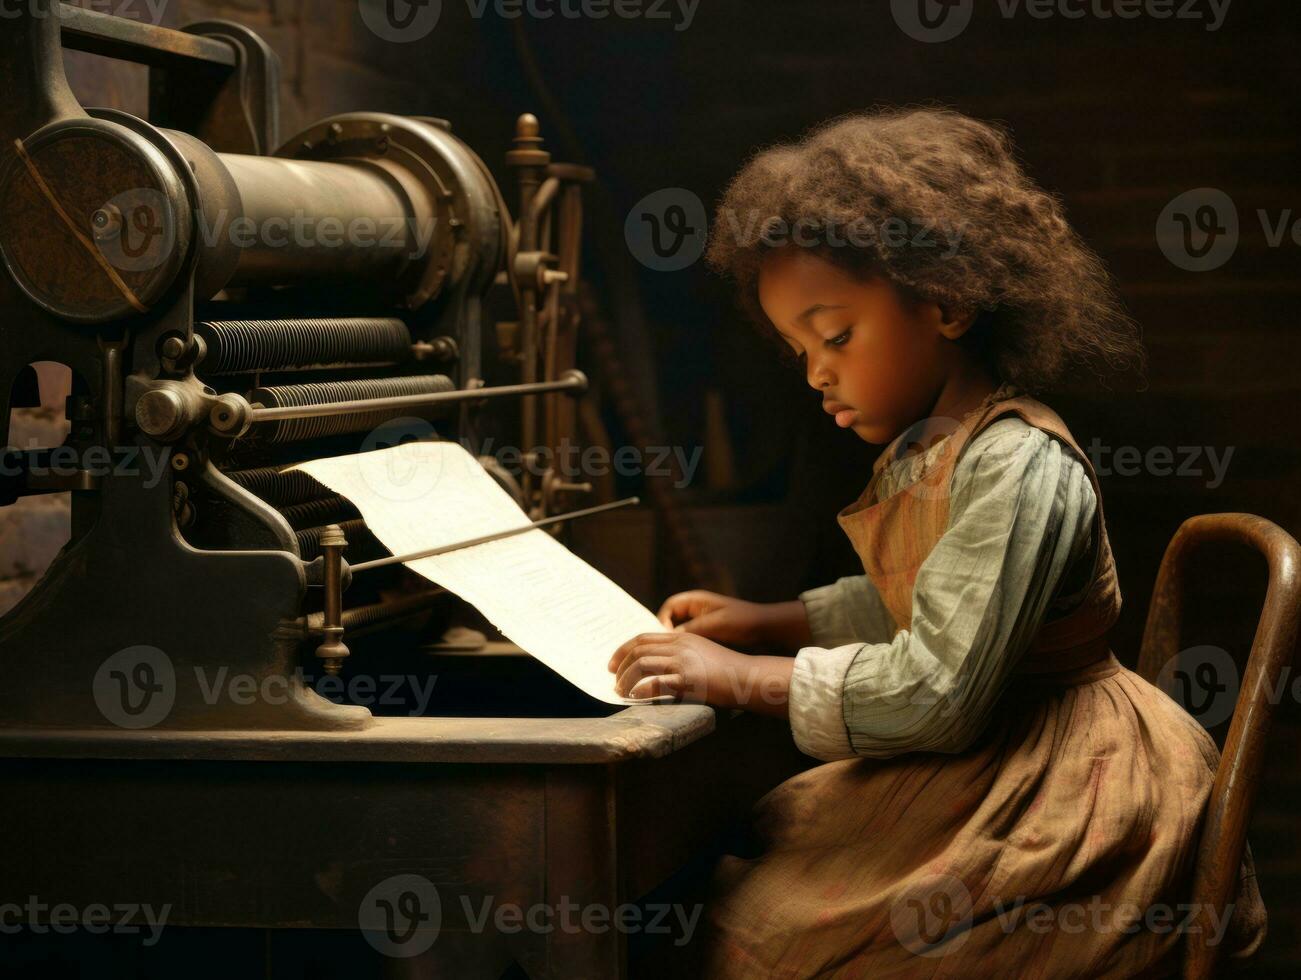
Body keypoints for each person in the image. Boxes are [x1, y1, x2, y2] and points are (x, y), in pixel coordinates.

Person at [607, 107, 1264, 977]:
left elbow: (938, 689)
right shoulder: (932, 454)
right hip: (985, 755)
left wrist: (741, 678)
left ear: (945, 303)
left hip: (1056, 781)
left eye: (835, 335)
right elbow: (914, 598)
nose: (816, 372)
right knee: (739, 883)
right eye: (799, 348)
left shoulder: (1017, 462)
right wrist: (764, 621)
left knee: (774, 933)